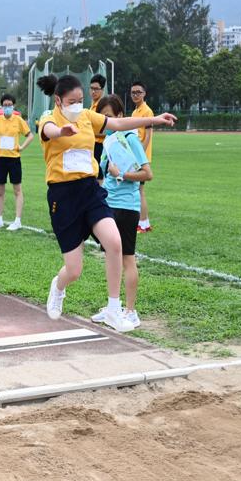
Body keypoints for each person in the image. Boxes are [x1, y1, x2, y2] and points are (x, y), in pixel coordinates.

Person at [36, 74, 176, 331]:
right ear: (58, 100)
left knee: (114, 242)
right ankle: (58, 287)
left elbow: (119, 123)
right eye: (71, 101)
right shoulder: (49, 118)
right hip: (63, 196)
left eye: (80, 100)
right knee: (74, 270)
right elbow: (48, 131)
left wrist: (154, 119)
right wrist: (62, 131)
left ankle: (114, 309)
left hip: (90, 190)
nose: (77, 105)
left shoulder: (87, 117)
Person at [92, 94, 152, 328]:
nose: (104, 121)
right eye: (101, 117)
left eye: (107, 116)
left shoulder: (129, 138)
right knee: (111, 257)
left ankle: (131, 311)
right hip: (109, 204)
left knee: (127, 258)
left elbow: (147, 174)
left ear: (119, 116)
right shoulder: (108, 140)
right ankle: (113, 308)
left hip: (127, 207)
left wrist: (122, 175)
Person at [0, 93, 34, 231]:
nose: (7, 107)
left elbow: (30, 135)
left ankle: (17, 221)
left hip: (14, 159)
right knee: (0, 190)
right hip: (0, 158)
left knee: (17, 190)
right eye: (5, 105)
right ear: (2, 106)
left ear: (13, 106)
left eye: (10, 105)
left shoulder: (18, 120)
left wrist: (22, 147)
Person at [130, 81, 153, 233]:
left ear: (144, 94)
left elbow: (148, 136)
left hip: (141, 157)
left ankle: (143, 224)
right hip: (136, 155)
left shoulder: (147, 111)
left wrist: (140, 156)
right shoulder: (135, 112)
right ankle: (144, 222)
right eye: (133, 92)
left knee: (140, 190)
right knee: (137, 189)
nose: (135, 95)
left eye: (138, 92)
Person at [89, 74, 107, 185]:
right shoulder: (93, 105)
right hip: (93, 144)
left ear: (102, 90)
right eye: (91, 88)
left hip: (100, 145)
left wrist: (90, 133)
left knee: (99, 176)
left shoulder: (103, 106)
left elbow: (106, 130)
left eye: (96, 89)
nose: (93, 91)